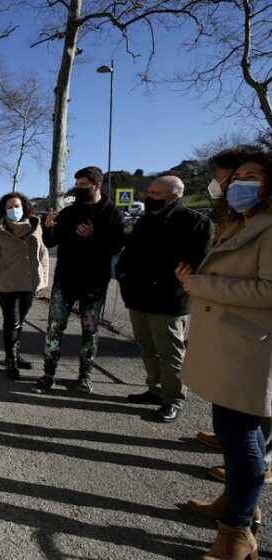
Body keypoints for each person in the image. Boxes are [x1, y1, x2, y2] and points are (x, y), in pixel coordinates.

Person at [178, 151, 272, 559]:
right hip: (232, 346)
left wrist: (200, 285)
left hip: (250, 349)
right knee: (235, 437)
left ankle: (235, 533)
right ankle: (236, 506)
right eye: (235, 178)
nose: (238, 183)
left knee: (243, 440)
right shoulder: (240, 223)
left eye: (251, 176)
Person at [116, 176, 212, 422]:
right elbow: (129, 252)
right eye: (149, 191)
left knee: (171, 354)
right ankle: (155, 390)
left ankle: (173, 399)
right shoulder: (145, 220)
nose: (149, 196)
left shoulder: (196, 223)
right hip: (138, 297)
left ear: (173, 197)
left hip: (169, 301)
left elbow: (195, 263)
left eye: (155, 193)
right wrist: (123, 275)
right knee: (148, 349)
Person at [32, 166, 124, 394]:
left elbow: (116, 245)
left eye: (84, 185)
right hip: (65, 282)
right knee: (54, 328)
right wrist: (48, 228)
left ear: (98, 185)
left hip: (94, 285)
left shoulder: (112, 213)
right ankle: (48, 374)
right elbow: (52, 243)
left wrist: (94, 236)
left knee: (89, 331)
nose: (79, 189)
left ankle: (84, 377)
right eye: (78, 185)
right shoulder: (70, 212)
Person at [0, 192, 49, 379]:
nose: (14, 210)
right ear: (4, 210)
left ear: (24, 206)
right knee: (13, 321)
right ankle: (11, 360)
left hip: (29, 283)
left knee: (19, 322)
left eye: (17, 206)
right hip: (6, 283)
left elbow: (42, 252)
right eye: (9, 207)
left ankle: (15, 355)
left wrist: (43, 278)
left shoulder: (35, 226)